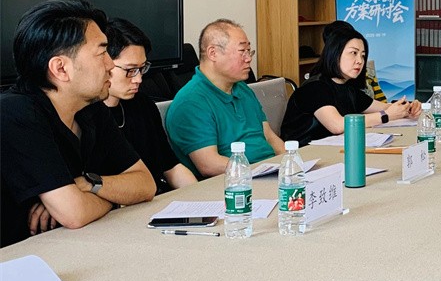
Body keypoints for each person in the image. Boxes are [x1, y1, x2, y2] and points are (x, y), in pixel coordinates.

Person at [0, 0, 156, 247]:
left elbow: (146, 185)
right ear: (61, 68)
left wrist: (89, 184)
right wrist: (115, 198)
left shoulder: (91, 107)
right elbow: (75, 214)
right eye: (102, 53)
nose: (110, 65)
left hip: (64, 246)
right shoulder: (15, 112)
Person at [166, 19, 284, 178]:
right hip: (236, 181)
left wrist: (289, 164)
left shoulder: (242, 89)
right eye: (242, 51)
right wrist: (257, 170)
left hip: (269, 173)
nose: (248, 58)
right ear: (213, 53)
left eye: (249, 51)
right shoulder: (191, 102)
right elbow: (209, 164)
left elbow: (269, 136)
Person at [281, 22, 421, 145]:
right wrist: (386, 116)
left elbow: (385, 107)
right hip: (302, 155)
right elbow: (337, 125)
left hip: (333, 151)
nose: (360, 61)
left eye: (363, 55)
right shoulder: (315, 87)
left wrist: (408, 109)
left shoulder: (347, 87)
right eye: (353, 53)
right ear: (335, 53)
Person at [103, 18, 198, 193]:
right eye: (130, 70)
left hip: (155, 197)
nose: (139, 79)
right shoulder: (86, 117)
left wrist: (199, 196)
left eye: (142, 68)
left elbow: (171, 166)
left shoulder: (143, 105)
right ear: (105, 64)